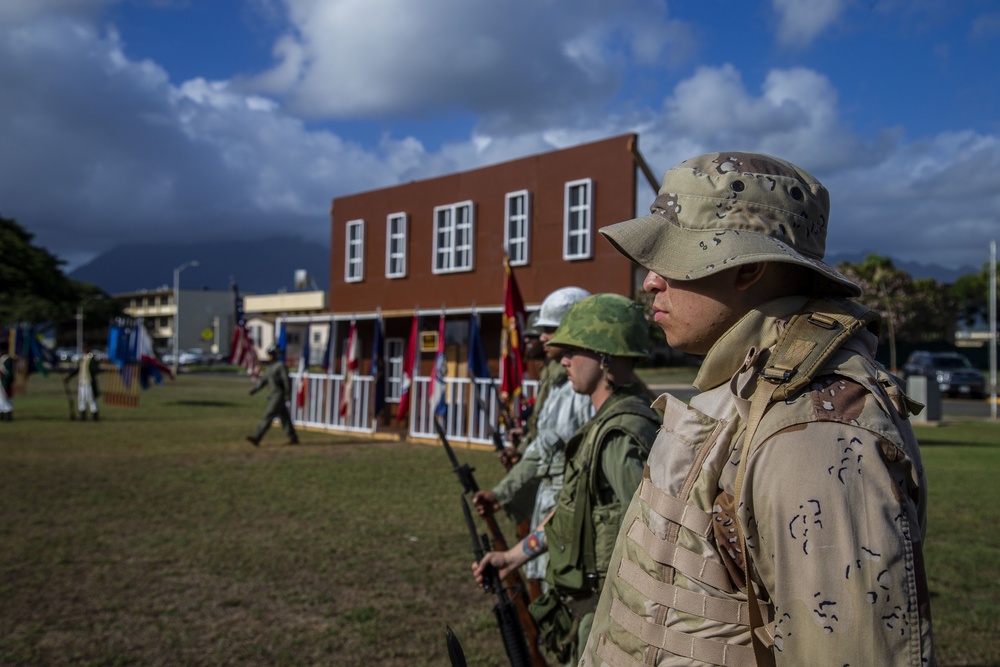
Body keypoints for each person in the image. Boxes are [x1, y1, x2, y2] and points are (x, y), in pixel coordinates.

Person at [579, 152, 935, 666]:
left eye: (672, 256)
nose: (650, 281)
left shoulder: (813, 429)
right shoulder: (755, 388)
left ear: (747, 267)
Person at [473, 293, 660, 666]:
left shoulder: (620, 437)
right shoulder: (599, 426)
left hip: (612, 620)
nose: (563, 359)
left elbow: (649, 542)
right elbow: (573, 514)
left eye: (574, 350)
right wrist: (512, 557)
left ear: (605, 356)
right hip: (591, 613)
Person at [473, 286, 595, 586]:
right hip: (553, 512)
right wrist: (503, 492)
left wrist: (504, 492)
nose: (541, 337)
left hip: (570, 518)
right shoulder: (562, 387)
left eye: (550, 329)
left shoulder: (581, 394)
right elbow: (543, 446)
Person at [246, 344, 299, 446]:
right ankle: (293, 437)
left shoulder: (280, 366)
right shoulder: (270, 368)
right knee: (284, 418)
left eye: (270, 354)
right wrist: (254, 390)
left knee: (268, 415)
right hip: (274, 395)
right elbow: (263, 381)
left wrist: (288, 395)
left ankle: (257, 436)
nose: (269, 356)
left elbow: (286, 381)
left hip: (279, 395)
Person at [64, 346, 102, 421]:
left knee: (91, 398)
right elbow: (78, 369)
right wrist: (69, 377)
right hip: (82, 381)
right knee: (81, 398)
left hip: (89, 381)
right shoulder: (83, 358)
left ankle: (94, 414)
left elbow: (95, 369)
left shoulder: (92, 358)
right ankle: (83, 415)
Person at [0, 340, 13, 422]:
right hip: (1, 382)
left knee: (5, 399)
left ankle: (8, 415)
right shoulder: (2, 358)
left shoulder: (7, 359)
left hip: (4, 382)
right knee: (0, 399)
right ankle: (1, 414)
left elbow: (8, 372)